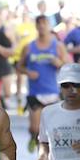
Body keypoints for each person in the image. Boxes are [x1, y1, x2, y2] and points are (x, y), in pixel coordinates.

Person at [17, 15, 68, 152]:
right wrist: (28, 72)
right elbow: (19, 67)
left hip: (53, 92)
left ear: (49, 26)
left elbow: (68, 67)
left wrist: (59, 64)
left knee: (52, 129)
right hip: (35, 92)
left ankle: (45, 155)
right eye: (39, 23)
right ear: (36, 26)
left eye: (45, 23)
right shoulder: (29, 47)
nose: (42, 26)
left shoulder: (58, 46)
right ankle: (34, 138)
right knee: (35, 128)